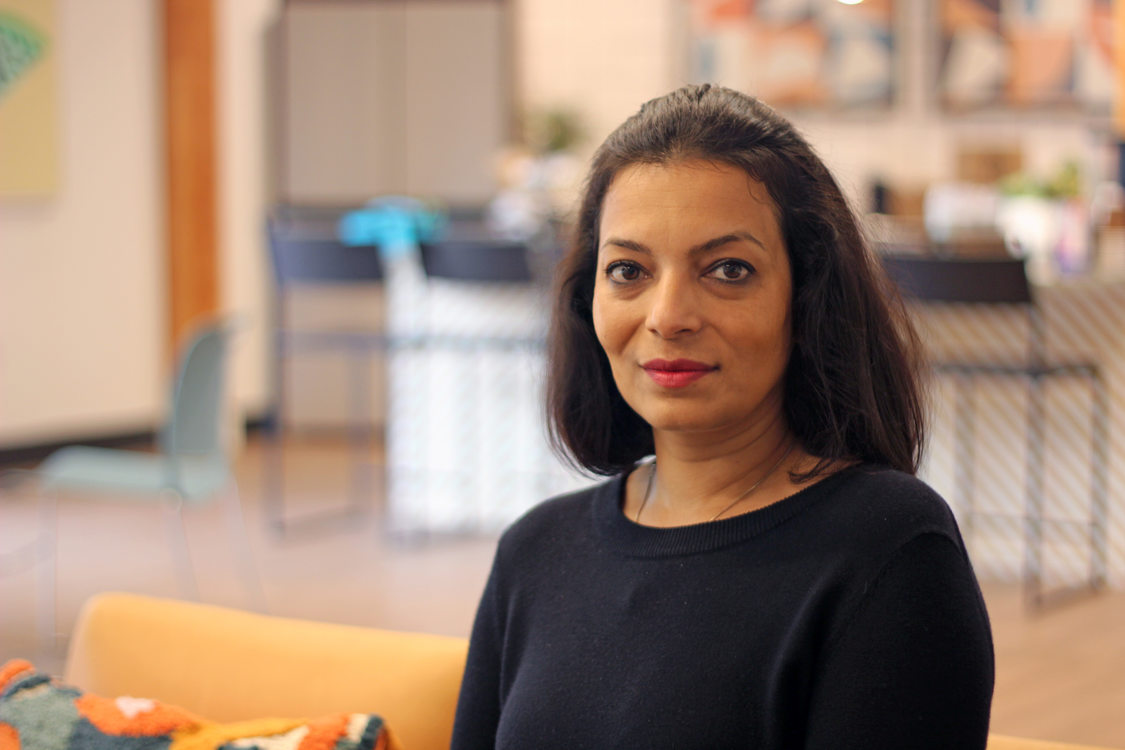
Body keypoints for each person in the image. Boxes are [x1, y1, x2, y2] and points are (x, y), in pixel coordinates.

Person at [451, 84, 994, 749]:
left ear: (807, 295)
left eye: (728, 270)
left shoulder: (888, 549)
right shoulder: (533, 552)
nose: (667, 315)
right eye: (627, 270)